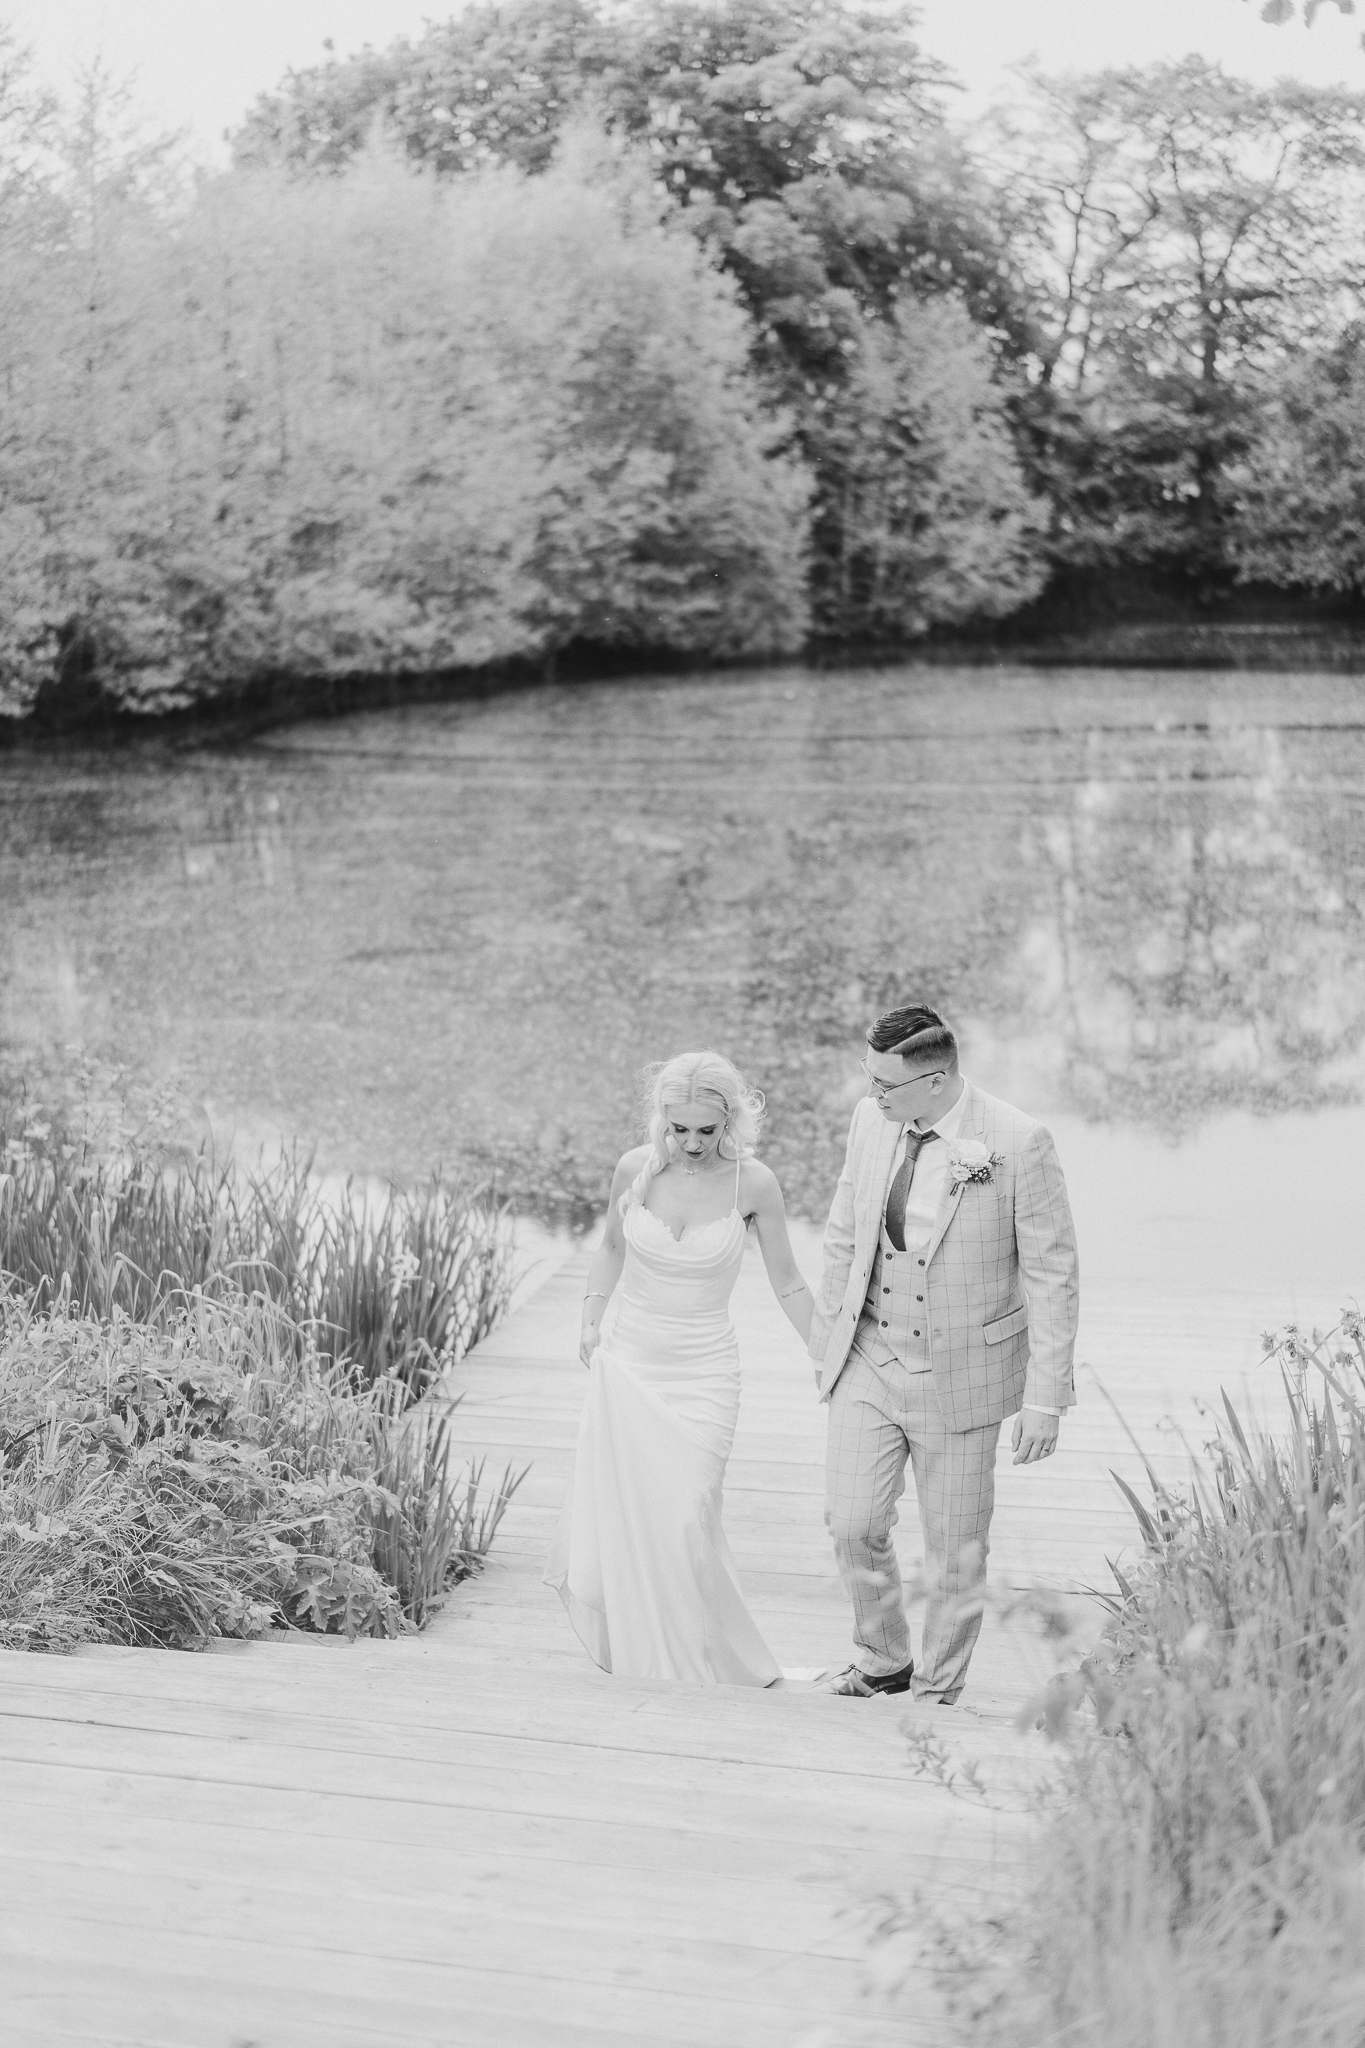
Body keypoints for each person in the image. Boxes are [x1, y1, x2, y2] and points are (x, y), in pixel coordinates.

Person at [810, 1003, 1079, 1704]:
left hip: (959, 1373)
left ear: (933, 1082)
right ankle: (881, 1658)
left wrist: (1045, 1398)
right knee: (851, 1523)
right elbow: (844, 1231)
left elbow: (1053, 1276)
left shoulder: (1018, 1143)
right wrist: (826, 1343)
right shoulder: (873, 1123)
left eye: (884, 1085)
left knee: (956, 1547)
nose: (871, 1096)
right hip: (868, 1354)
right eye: (869, 1080)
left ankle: (936, 1690)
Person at [545, 1050, 814, 1684]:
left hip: (706, 1372)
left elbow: (790, 1283)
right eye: (679, 1128)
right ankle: (653, 1655)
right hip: (633, 1364)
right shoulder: (634, 1170)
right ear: (662, 1119)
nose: (692, 1144)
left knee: (688, 1511)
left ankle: (697, 1652)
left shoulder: (756, 1184)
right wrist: (590, 1316)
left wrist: (828, 1349)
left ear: (731, 1121)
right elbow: (610, 1248)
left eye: (706, 1130)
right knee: (640, 1515)